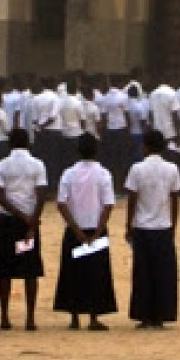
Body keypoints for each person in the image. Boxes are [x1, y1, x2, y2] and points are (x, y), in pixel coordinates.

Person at [53, 133, 118, 331]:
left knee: (73, 272)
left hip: (75, 230)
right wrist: (98, 232)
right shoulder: (104, 174)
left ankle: (74, 317)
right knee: (96, 273)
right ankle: (93, 317)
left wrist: (75, 229)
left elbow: (61, 203)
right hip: (95, 229)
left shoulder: (68, 173)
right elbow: (108, 205)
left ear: (78, 151)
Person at [0, 128, 47, 331]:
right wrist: (31, 221)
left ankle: (4, 316)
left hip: (8, 222)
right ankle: (30, 318)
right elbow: (41, 195)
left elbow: (0, 195)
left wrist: (19, 215)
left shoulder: (2, 165)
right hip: (28, 224)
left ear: (9, 143)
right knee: (29, 269)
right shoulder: (37, 165)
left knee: (4, 270)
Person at [124, 130, 180, 330]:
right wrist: (173, 225)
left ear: (146, 146)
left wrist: (128, 225)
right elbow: (175, 200)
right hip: (163, 226)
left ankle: (144, 314)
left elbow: (132, 199)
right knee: (164, 273)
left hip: (142, 226)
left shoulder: (137, 169)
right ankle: (161, 314)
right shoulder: (172, 168)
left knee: (142, 272)